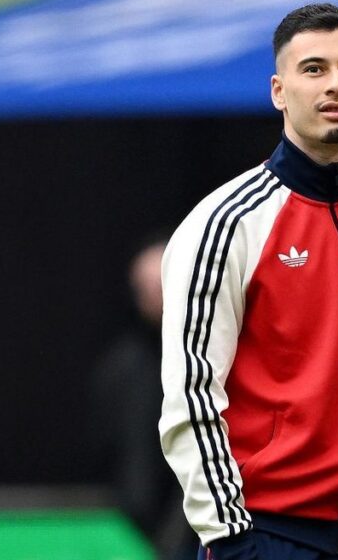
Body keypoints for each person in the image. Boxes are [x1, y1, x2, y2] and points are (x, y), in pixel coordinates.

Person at [159, 3, 338, 560]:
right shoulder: (225, 224)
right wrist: (231, 539)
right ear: (278, 90)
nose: (335, 84)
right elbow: (191, 400)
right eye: (313, 69)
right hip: (269, 535)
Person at [92, 234, 197, 559]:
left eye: (161, 282)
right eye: (146, 286)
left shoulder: (216, 361)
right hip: (133, 532)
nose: (155, 294)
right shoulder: (122, 367)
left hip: (202, 527)